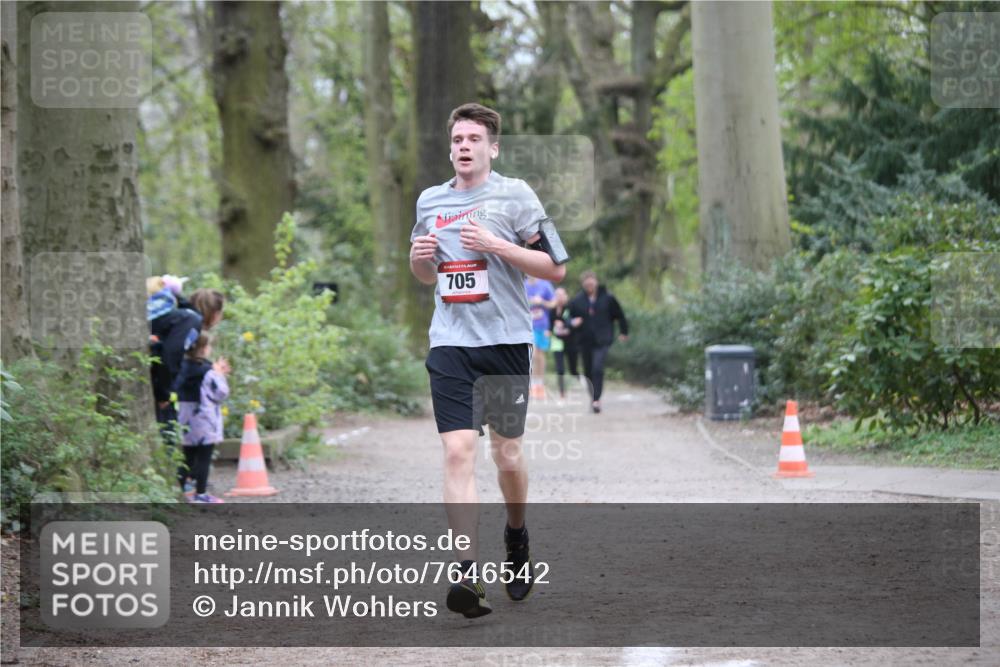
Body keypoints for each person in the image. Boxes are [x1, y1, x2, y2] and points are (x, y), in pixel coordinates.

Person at [409, 102, 566, 618]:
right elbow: (428, 274)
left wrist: (498, 245)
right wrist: (418, 262)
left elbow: (555, 268)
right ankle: (466, 573)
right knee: (457, 452)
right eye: (457, 139)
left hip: (504, 342)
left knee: (507, 455)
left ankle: (516, 537)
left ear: (492, 148)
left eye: (474, 138)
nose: (464, 147)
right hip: (451, 342)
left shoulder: (516, 195)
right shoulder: (430, 201)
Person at [172, 332, 230, 504]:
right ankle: (201, 493)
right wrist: (219, 373)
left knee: (187, 457)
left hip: (186, 419)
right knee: (204, 457)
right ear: (204, 349)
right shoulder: (207, 372)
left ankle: (180, 490)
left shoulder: (182, 367)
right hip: (204, 419)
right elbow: (221, 393)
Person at [568, 270, 629, 413]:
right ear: (583, 284)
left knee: (597, 367)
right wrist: (571, 323)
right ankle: (593, 397)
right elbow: (567, 318)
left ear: (596, 281)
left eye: (592, 280)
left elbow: (620, 315)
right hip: (584, 341)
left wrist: (624, 332)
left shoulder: (608, 298)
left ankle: (597, 399)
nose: (589, 283)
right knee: (588, 370)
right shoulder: (577, 301)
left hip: (603, 339)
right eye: (586, 281)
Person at [524, 276, 555, 397]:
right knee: (531, 354)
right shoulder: (523, 284)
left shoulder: (545, 284)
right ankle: (531, 385)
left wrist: (541, 302)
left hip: (542, 325)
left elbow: (554, 303)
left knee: (539, 354)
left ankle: (539, 384)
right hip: (526, 325)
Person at [548, 287, 573, 399]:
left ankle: (571, 386)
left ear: (566, 296)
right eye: (557, 295)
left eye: (561, 295)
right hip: (556, 342)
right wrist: (549, 330)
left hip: (570, 341)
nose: (559, 297)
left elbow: (572, 322)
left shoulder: (570, 308)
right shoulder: (552, 310)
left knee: (572, 367)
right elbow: (549, 324)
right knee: (560, 368)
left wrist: (564, 325)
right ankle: (562, 391)